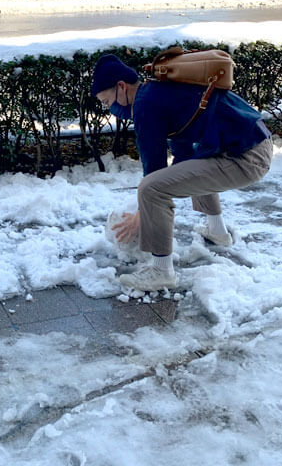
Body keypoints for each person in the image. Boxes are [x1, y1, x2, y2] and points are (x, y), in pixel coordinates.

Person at [91, 53, 272, 293]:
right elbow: (184, 153)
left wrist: (140, 217)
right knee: (193, 165)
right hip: (254, 144)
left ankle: (161, 271)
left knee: (151, 188)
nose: (109, 107)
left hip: (247, 157)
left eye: (106, 100)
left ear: (121, 87)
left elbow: (153, 171)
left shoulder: (145, 105)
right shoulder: (156, 91)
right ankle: (218, 232)